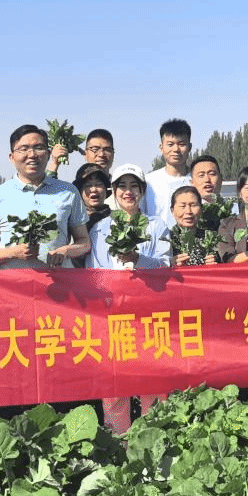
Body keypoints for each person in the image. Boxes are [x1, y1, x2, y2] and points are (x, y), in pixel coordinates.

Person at [85, 164, 170, 432]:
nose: (128, 192)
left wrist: (138, 259)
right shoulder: (100, 229)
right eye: (122, 186)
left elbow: (165, 266)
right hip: (113, 316)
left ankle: (153, 439)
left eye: (134, 186)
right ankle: (118, 442)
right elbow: (93, 273)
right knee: (115, 385)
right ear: (113, 191)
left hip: (149, 314)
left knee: (153, 383)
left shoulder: (156, 225)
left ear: (142, 191)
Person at [0, 124, 91, 269]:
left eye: (38, 148)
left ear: (48, 154)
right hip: (12, 281)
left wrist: (65, 251)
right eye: (23, 149)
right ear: (12, 157)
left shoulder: (68, 192)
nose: (32, 154)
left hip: (58, 280)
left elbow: (84, 242)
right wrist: (12, 253)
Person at [144, 119, 192, 220]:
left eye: (181, 144)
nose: (176, 149)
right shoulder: (148, 182)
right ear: (161, 148)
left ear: (190, 147)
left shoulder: (198, 180)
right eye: (170, 144)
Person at [166, 185, 218, 266]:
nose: (188, 211)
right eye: (182, 206)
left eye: (193, 205)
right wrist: (169, 264)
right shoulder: (166, 239)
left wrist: (216, 262)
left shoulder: (211, 238)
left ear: (201, 209)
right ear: (172, 211)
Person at [73, 162, 113, 232]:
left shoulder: (115, 219)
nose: (94, 189)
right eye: (88, 185)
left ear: (106, 189)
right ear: (80, 191)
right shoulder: (73, 220)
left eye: (99, 184)